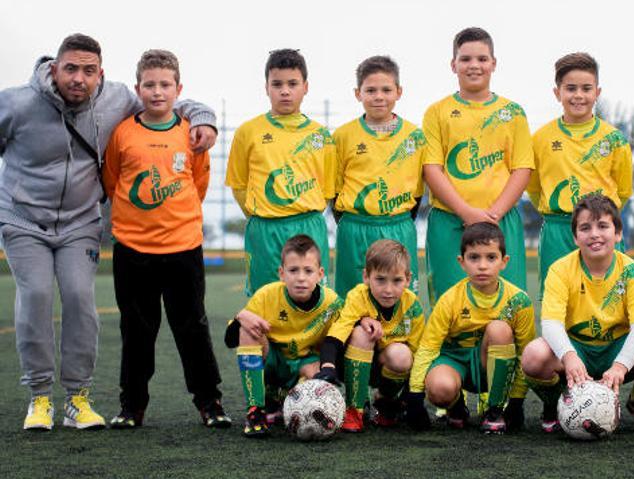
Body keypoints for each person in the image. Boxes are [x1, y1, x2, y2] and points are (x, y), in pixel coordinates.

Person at [0, 33, 216, 431]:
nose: (79, 78)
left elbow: (171, 102)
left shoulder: (116, 98)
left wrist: (204, 118)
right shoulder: (15, 103)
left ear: (101, 74)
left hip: (81, 222)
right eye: (71, 69)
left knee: (82, 300)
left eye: (89, 71)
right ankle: (40, 398)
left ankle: (77, 398)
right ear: (54, 68)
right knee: (36, 296)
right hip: (24, 221)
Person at [102, 49, 228, 429]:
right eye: (150, 84)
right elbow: (112, 182)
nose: (157, 92)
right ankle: (131, 407)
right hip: (132, 250)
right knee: (137, 331)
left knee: (193, 328)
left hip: (183, 248)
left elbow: (198, 183)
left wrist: (176, 221)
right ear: (138, 87)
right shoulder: (123, 132)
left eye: (165, 85)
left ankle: (210, 403)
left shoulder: (190, 133)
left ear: (179, 88)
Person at [521, 194, 634, 432]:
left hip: (617, 347)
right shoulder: (560, 270)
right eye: (585, 228)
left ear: (618, 234)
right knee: (534, 355)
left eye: (603, 226)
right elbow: (551, 323)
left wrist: (620, 366)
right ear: (575, 237)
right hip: (577, 349)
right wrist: (569, 356)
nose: (594, 233)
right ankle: (556, 405)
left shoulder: (633, 272)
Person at [422, 27, 533, 305]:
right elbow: (432, 168)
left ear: (494, 63)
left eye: (482, 59)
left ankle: (507, 351)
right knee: (451, 305)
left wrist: (492, 215)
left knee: (507, 304)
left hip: (502, 220)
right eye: (466, 59)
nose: (474, 66)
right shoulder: (437, 112)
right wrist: (467, 212)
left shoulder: (513, 113)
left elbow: (522, 168)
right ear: (453, 64)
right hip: (450, 220)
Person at [225, 49, 337, 296]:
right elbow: (239, 185)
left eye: (292, 83)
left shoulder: (320, 136)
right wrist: (265, 213)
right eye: (277, 84)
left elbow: (328, 191)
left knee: (314, 301)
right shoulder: (248, 132)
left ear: (305, 87)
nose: (285, 90)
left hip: (308, 226)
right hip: (264, 229)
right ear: (266, 87)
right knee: (265, 301)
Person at [406, 222, 535, 434]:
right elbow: (429, 348)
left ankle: (495, 411)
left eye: (491, 257)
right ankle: (456, 409)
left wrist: (517, 402)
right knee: (439, 388)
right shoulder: (449, 300)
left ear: (504, 262)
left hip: (490, 370)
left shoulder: (519, 301)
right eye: (474, 258)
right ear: (462, 262)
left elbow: (524, 354)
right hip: (456, 362)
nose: (482, 265)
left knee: (499, 330)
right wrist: (415, 397)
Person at [528, 52, 632, 295]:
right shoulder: (541, 138)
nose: (578, 95)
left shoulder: (614, 138)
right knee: (560, 300)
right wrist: (559, 213)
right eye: (570, 88)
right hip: (557, 230)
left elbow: (623, 190)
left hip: (602, 229)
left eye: (586, 88)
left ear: (597, 92)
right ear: (557, 93)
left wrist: (599, 220)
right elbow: (533, 188)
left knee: (610, 298)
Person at [228, 234, 342, 437]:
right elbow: (230, 340)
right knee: (247, 330)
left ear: (320, 274)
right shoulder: (267, 295)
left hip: (305, 363)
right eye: (293, 270)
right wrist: (240, 316)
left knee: (316, 369)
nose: (300, 277)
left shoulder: (331, 303)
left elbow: (344, 335)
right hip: (273, 361)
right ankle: (256, 411)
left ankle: (282, 401)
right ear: (282, 273)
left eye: (308, 271)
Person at [332, 56, 425, 298]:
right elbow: (334, 190)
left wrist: (395, 216)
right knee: (353, 300)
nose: (379, 96)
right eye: (370, 90)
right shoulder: (342, 136)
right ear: (357, 93)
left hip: (398, 226)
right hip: (355, 228)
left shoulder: (415, 137)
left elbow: (417, 191)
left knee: (400, 300)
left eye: (386, 89)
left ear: (399, 92)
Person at [314, 239, 425, 432]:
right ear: (366, 276)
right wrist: (328, 367)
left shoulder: (413, 305)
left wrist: (413, 398)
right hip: (351, 363)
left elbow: (419, 355)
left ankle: (386, 402)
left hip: (387, 368)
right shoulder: (358, 296)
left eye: (397, 280)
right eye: (380, 279)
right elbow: (336, 335)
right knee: (361, 333)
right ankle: (354, 410)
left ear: (408, 279)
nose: (388, 290)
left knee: (402, 354)